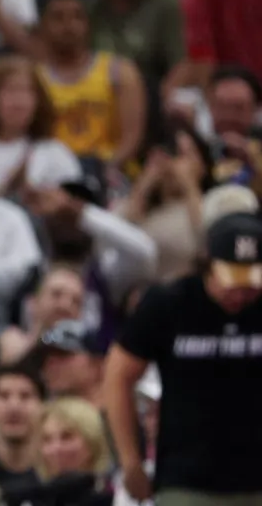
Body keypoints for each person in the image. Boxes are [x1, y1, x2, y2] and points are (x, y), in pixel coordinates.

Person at [105, 212, 262, 504]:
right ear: (207, 264)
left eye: (251, 284)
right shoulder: (169, 303)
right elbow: (118, 373)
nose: (240, 294)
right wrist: (130, 460)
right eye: (232, 281)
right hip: (186, 477)